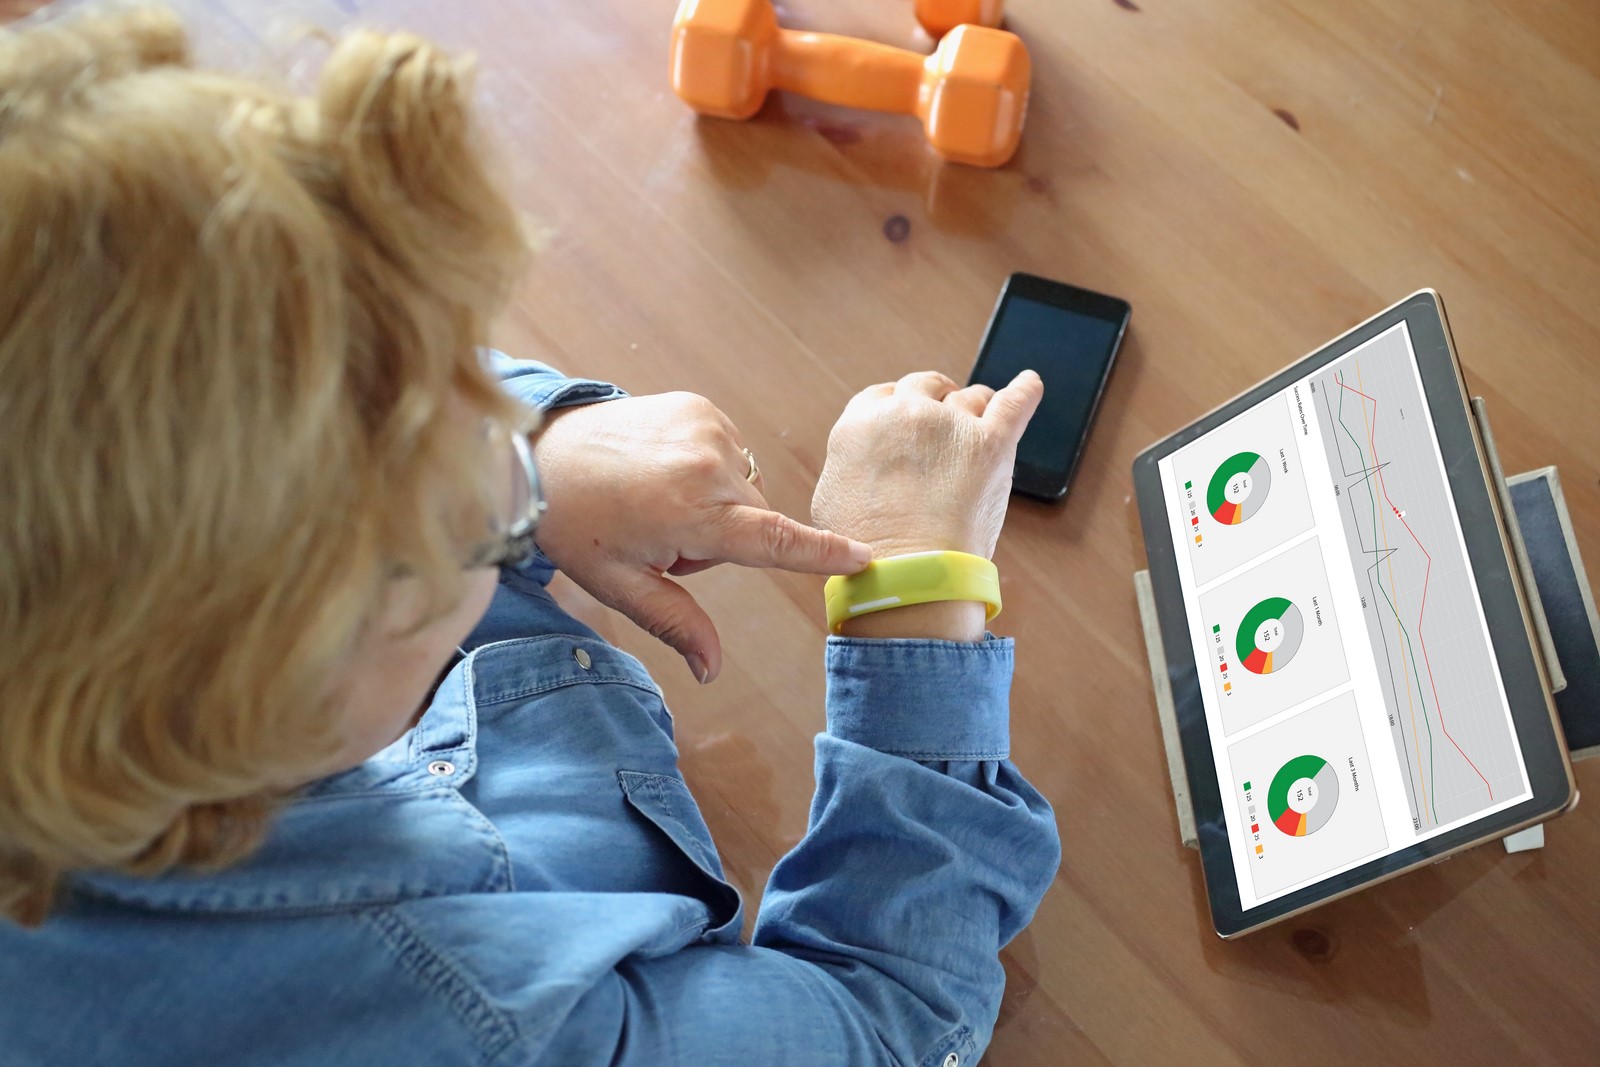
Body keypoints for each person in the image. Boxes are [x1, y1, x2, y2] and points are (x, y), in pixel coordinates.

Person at [0, 7, 1060, 1065]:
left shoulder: (125, 625)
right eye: (475, 488)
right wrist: (909, 597)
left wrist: (554, 448)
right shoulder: (459, 1017)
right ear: (291, 671)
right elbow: (889, 1019)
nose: (502, 439)